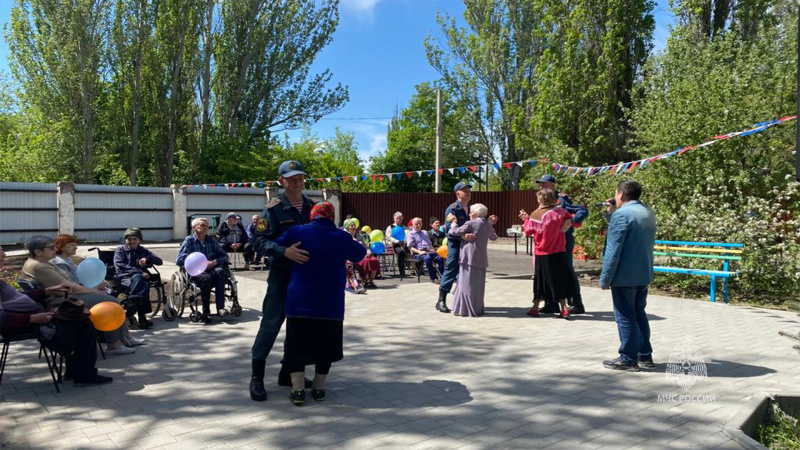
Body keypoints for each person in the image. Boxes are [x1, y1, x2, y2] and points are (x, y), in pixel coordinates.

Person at [275, 202, 366, 405]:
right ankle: (319, 388)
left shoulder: (297, 231)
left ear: (313, 215)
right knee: (326, 347)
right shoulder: (341, 236)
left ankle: (297, 390)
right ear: (331, 217)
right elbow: (360, 254)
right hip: (329, 303)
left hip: (299, 301)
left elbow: (277, 245)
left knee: (295, 347)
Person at [249, 160, 315, 402]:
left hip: (306, 277)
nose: (298, 181)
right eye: (292, 178)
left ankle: (289, 373)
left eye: (300, 177)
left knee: (299, 327)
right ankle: (256, 377)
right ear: (282, 182)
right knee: (271, 324)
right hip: (282, 275)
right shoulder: (273, 209)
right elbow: (257, 241)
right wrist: (283, 251)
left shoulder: (313, 207)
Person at [0, 245, 113, 386]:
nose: (4, 254)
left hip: (32, 318)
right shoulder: (40, 266)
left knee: (77, 320)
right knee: (84, 325)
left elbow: (19, 297)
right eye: (0, 251)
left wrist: (47, 291)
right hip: (21, 324)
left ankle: (75, 369)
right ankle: (84, 375)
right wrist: (33, 318)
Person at [18, 235, 143, 355]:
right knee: (110, 302)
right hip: (63, 302)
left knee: (109, 299)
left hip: (62, 298)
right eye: (51, 248)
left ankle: (124, 337)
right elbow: (70, 287)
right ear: (38, 252)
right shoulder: (40, 266)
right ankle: (114, 345)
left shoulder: (41, 262)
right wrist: (95, 291)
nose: (55, 249)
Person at [599, 180, 657, 372]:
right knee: (639, 314)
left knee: (625, 316)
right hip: (643, 272)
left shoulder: (622, 215)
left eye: (616, 193)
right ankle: (644, 355)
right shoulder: (647, 212)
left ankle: (628, 358)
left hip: (624, 274)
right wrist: (611, 215)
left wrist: (605, 277)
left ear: (621, 194)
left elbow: (613, 249)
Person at [536, 174, 588, 314]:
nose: (541, 187)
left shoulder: (562, 200)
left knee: (566, 270)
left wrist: (571, 220)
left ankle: (576, 303)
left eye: (544, 184)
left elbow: (582, 210)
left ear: (553, 186)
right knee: (548, 271)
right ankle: (551, 303)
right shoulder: (543, 200)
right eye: (540, 184)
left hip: (562, 242)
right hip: (547, 244)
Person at [520, 189, 575, 319]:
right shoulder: (562, 212)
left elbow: (528, 231)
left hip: (543, 251)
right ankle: (564, 308)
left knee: (540, 281)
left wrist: (526, 219)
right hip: (559, 250)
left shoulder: (537, 214)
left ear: (542, 200)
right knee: (558, 280)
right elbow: (572, 219)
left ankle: (535, 308)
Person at [447, 205, 498, 317]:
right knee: (478, 286)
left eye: (471, 211)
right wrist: (491, 224)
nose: (469, 213)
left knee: (466, 284)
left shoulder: (471, 223)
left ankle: (464, 309)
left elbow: (454, 232)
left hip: (468, 257)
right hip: (481, 259)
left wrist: (454, 222)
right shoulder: (487, 225)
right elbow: (494, 237)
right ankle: (477, 308)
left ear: (477, 212)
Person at [176, 218, 230, 323]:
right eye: (202, 225)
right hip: (196, 271)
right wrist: (197, 263)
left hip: (211, 268)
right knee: (206, 279)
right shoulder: (189, 241)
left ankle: (220, 308)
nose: (205, 228)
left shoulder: (211, 240)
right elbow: (179, 260)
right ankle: (206, 311)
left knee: (220, 272)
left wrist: (214, 262)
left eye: (207, 226)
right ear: (193, 228)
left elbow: (224, 255)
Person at [113, 228, 163, 330]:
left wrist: (147, 259)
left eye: (134, 239)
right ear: (125, 240)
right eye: (129, 239)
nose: (131, 241)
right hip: (124, 277)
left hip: (140, 279)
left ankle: (132, 303)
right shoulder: (120, 250)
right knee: (141, 282)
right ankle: (142, 318)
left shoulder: (143, 250)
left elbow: (159, 261)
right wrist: (140, 271)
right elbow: (120, 266)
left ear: (139, 240)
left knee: (140, 282)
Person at [437, 181, 475, 313]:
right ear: (458, 193)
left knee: (467, 270)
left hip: (469, 245)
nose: (468, 193)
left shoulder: (472, 209)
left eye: (469, 190)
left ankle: (466, 300)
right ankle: (441, 300)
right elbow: (448, 230)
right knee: (451, 268)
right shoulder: (452, 209)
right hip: (455, 244)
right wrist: (462, 236)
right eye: (465, 190)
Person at [406, 218, 445, 284]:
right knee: (428, 258)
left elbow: (429, 244)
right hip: (417, 253)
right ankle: (434, 278)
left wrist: (432, 249)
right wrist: (419, 252)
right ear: (412, 225)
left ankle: (443, 277)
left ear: (422, 224)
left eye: (420, 224)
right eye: (416, 224)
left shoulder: (424, 232)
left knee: (440, 257)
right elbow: (410, 247)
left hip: (428, 251)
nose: (418, 225)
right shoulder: (410, 234)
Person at [344, 218, 379, 288]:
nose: (354, 227)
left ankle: (371, 280)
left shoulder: (359, 236)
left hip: (363, 253)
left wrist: (368, 252)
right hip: (353, 256)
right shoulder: (345, 236)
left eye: (354, 225)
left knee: (374, 260)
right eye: (351, 226)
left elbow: (366, 247)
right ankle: (365, 280)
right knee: (366, 261)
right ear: (347, 228)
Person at [385, 212, 409, 278]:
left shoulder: (405, 228)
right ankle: (402, 271)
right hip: (394, 244)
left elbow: (408, 234)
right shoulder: (390, 227)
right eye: (397, 218)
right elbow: (388, 237)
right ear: (394, 218)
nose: (399, 220)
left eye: (400, 219)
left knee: (412, 251)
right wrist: (397, 241)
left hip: (404, 244)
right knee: (401, 252)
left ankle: (418, 270)